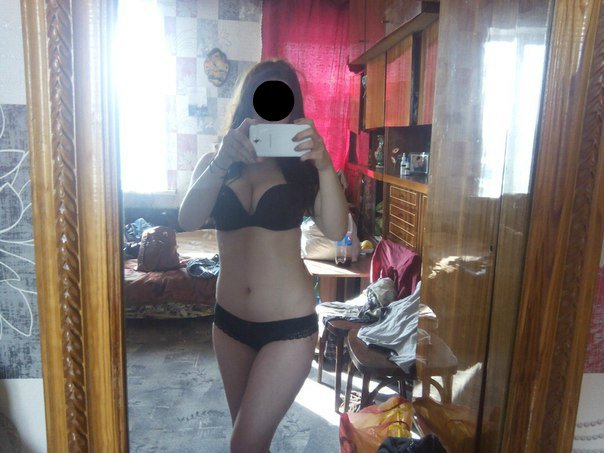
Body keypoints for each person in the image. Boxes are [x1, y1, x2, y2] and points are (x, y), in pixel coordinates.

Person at [178, 59, 348, 452]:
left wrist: (325, 165)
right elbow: (188, 219)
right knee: (251, 440)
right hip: (229, 326)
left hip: (288, 329)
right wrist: (222, 161)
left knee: (244, 444)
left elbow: (337, 230)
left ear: (293, 110)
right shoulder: (217, 161)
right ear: (246, 103)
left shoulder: (304, 169)